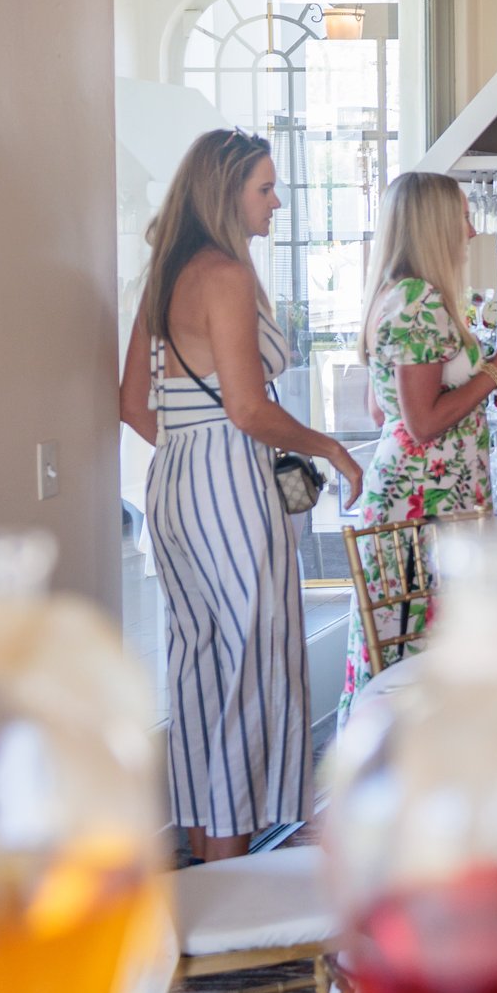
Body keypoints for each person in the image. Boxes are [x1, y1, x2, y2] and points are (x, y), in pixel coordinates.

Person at [116, 129, 362, 862]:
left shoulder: (167, 274)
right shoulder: (223, 274)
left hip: (175, 481)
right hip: (228, 480)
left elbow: (132, 403)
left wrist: (196, 455)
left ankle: (207, 863)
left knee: (201, 669)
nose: (276, 201)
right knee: (249, 672)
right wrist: (329, 447)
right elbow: (249, 410)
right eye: (264, 187)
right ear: (226, 193)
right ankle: (231, 874)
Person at [339, 171, 497, 723]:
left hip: (428, 496)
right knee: (423, 653)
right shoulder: (418, 301)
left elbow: (381, 410)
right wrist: (496, 372)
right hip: (423, 506)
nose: (471, 231)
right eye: (463, 218)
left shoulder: (397, 294)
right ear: (434, 226)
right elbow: (421, 423)